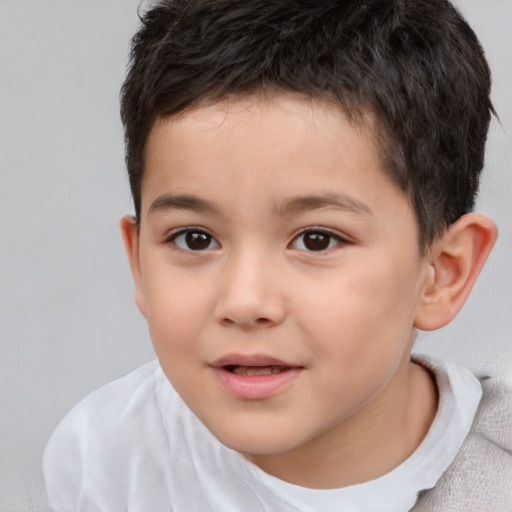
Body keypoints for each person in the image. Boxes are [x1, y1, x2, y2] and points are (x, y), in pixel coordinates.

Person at [43, 0, 511, 510]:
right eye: (195, 239)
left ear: (443, 273)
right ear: (138, 263)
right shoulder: (104, 457)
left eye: (317, 239)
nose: (245, 302)